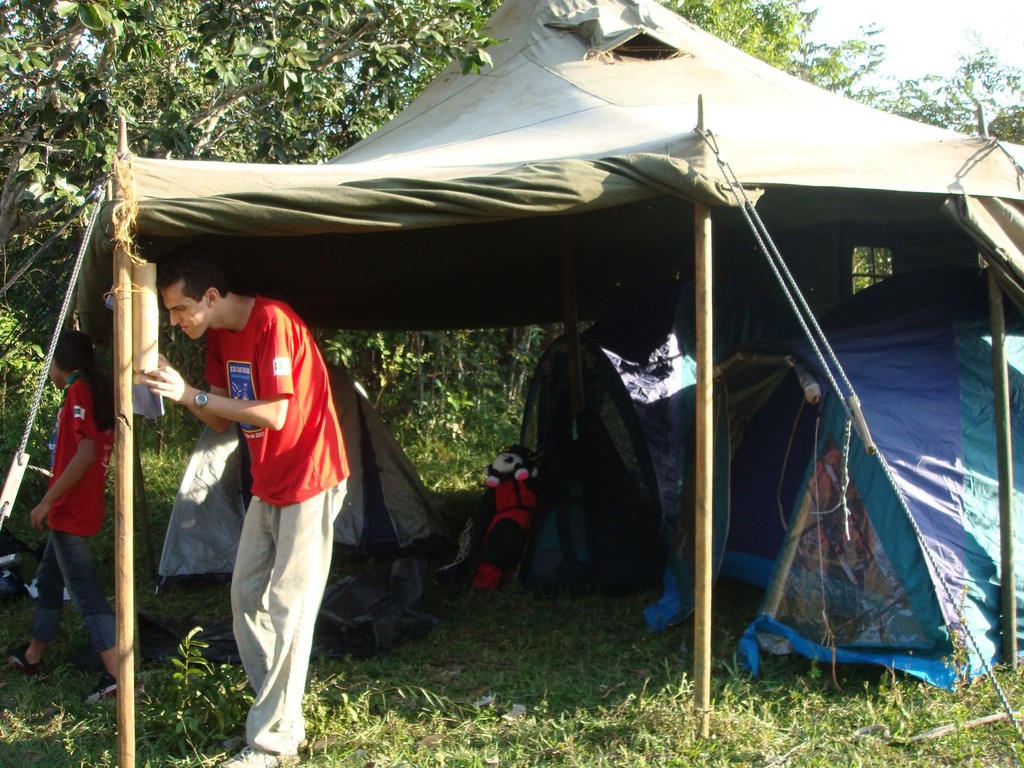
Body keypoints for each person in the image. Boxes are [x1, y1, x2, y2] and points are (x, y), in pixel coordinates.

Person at [142, 247, 348, 768]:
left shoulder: (273, 321)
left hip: (310, 477)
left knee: (288, 606)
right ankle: (278, 716)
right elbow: (220, 418)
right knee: (246, 598)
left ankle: (272, 740)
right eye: (170, 312)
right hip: (270, 482)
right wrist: (181, 393)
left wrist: (192, 394)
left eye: (180, 309)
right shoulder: (217, 336)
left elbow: (274, 414)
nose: (175, 321)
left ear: (211, 296)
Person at [6, 329, 118, 704]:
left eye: (49, 363)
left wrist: (46, 502)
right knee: (49, 579)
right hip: (74, 507)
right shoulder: (90, 390)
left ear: (61, 363)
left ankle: (117, 676)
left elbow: (85, 455)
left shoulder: (78, 392)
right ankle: (33, 656)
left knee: (84, 590)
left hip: (70, 509)